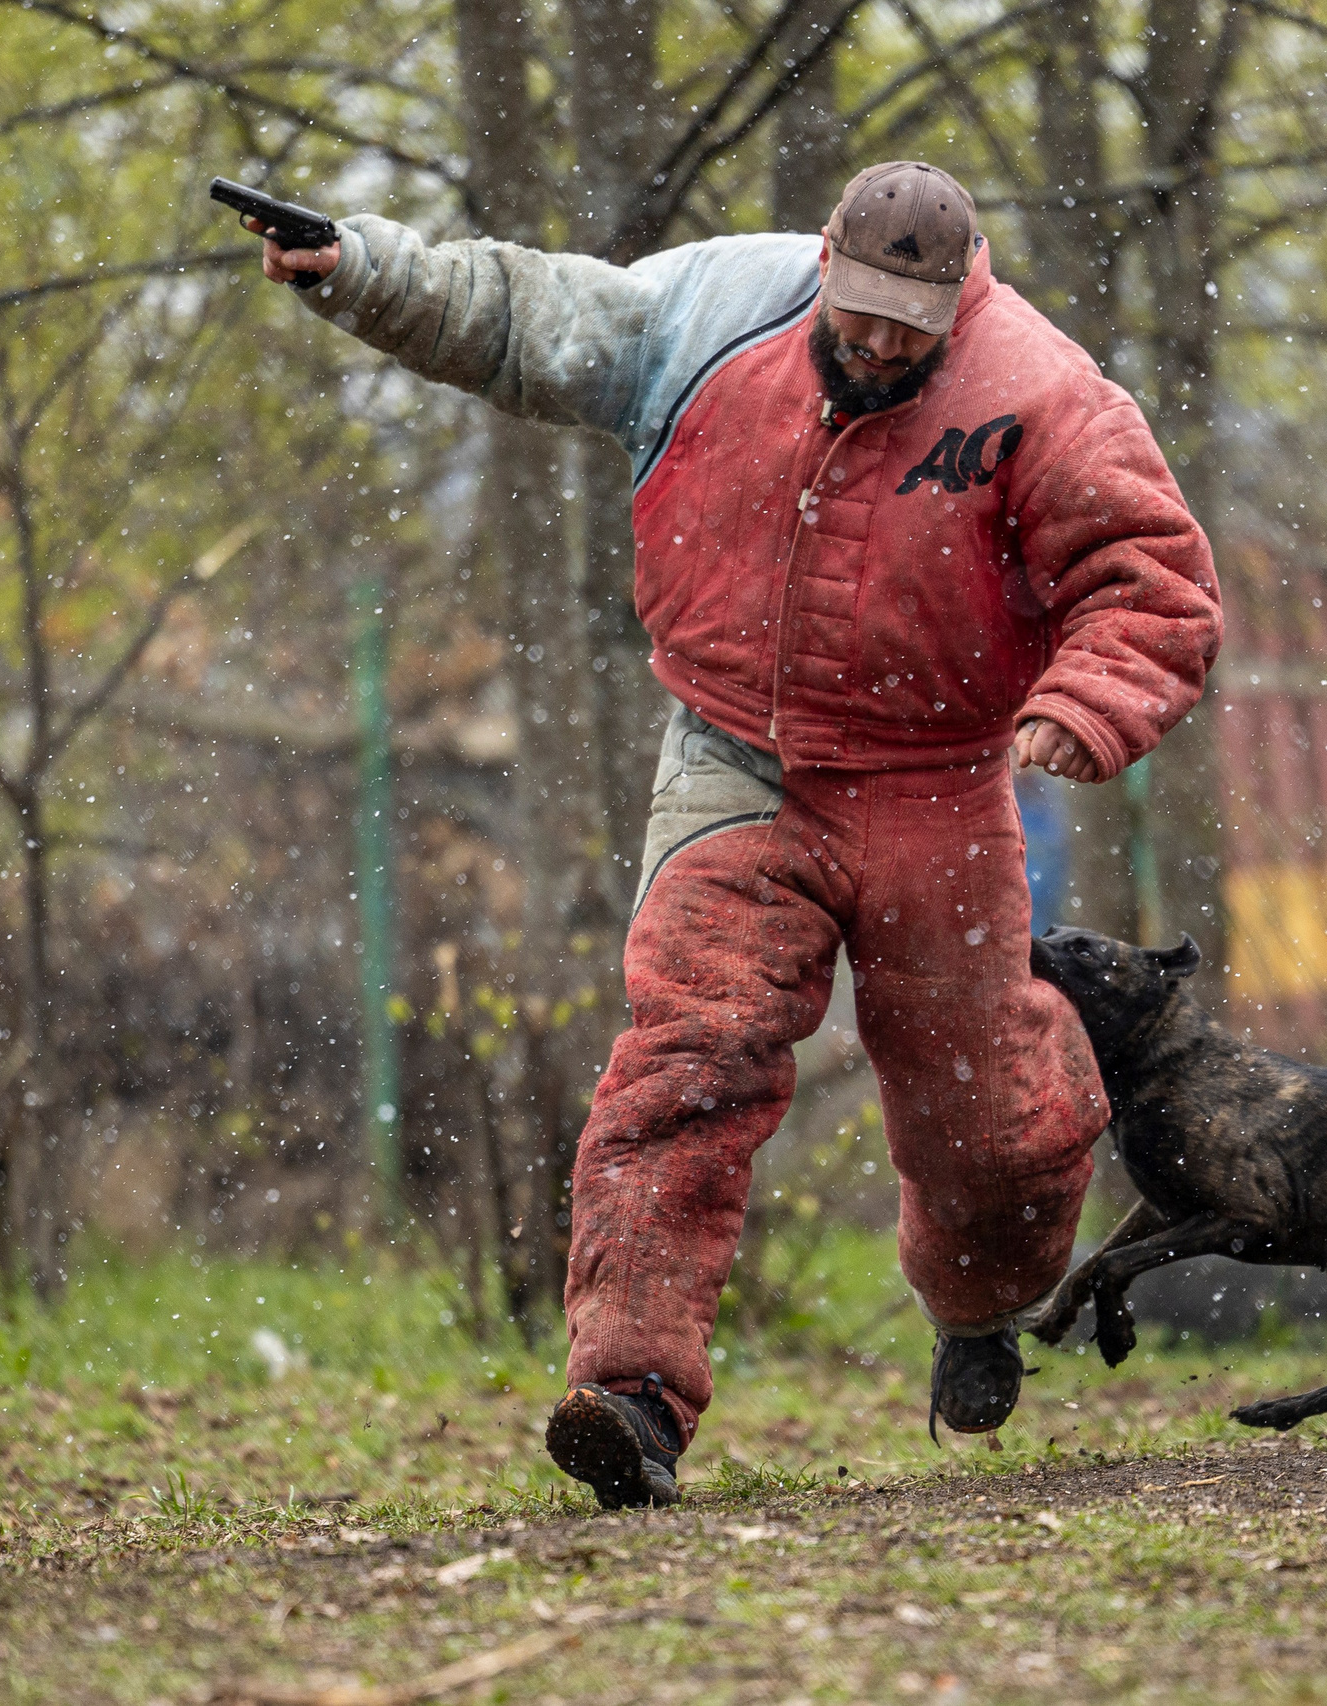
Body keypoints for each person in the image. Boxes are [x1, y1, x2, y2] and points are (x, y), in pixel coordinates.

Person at [256, 160, 1219, 1507]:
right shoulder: (711, 309)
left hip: (935, 782)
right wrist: (363, 273)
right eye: (862, 308)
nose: (879, 343)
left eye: (910, 327)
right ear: (824, 257)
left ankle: (980, 1303)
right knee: (686, 1056)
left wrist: (1083, 704)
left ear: (960, 299)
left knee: (987, 1126)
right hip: (732, 755)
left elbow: (1156, 580)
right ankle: (631, 1397)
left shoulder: (1042, 392)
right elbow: (530, 317)